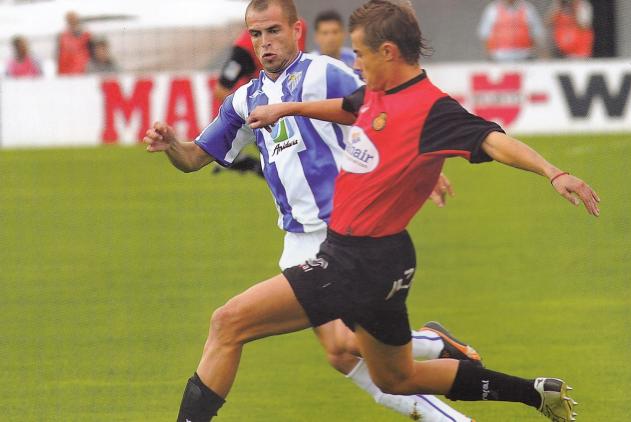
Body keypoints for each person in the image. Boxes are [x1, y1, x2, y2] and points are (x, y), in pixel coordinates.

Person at [166, 0, 603, 420]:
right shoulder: (376, 94)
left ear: (388, 53)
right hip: (386, 258)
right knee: (396, 375)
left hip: (352, 258)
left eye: (360, 54)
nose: (354, 65)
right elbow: (346, 110)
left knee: (229, 323)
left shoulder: (429, 107)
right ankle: (531, 392)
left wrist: (552, 171)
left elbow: (491, 139)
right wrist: (291, 107)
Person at [145, 1, 479, 421]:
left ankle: (434, 355)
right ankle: (435, 351)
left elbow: (392, 103)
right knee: (341, 351)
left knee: (296, 335)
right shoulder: (244, 100)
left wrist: (425, 167)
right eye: (256, 35)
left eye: (273, 31)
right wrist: (173, 145)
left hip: (343, 235)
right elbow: (195, 158)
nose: (264, 43)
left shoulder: (324, 73)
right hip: (297, 241)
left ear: (296, 30)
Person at [210, 23, 306, 178]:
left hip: (297, 112)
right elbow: (221, 89)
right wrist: (255, 113)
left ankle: (247, 163)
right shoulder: (244, 49)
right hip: (271, 118)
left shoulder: (298, 27)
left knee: (296, 174)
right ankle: (248, 163)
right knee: (289, 174)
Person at [478, 0, 546, 61]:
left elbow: (537, 33)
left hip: (524, 56)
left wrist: (542, 54)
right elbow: (484, 34)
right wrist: (488, 56)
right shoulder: (492, 9)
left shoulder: (528, 8)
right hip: (499, 57)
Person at [56, 11, 92, 75]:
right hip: (65, 72)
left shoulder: (86, 35)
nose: (72, 22)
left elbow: (92, 53)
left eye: (73, 20)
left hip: (83, 71)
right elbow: (58, 55)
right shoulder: (62, 36)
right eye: (70, 20)